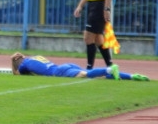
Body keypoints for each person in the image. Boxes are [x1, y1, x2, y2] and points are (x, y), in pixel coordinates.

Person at [11, 52, 149, 81]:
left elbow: (16, 74)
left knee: (85, 75)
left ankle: (109, 69)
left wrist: (12, 61)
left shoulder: (24, 65)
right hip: (65, 66)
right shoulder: (35, 56)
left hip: (58, 72)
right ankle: (132, 76)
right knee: (96, 75)